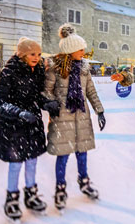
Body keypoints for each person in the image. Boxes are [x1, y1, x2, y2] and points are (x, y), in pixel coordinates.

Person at [0, 37, 60, 221]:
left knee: (32, 161)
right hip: (13, 126)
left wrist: (48, 103)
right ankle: (11, 198)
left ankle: (31, 194)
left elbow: (38, 95)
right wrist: (19, 113)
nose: (37, 57)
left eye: (38, 54)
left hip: (32, 124)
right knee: (16, 163)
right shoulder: (9, 72)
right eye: (32, 54)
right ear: (22, 54)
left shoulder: (37, 70)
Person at [44, 24, 106, 211]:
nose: (83, 51)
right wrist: (52, 103)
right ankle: (60, 188)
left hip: (81, 116)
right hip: (62, 117)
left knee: (82, 152)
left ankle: (84, 181)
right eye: (80, 49)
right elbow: (46, 91)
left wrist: (99, 110)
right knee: (63, 155)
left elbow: (90, 91)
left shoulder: (84, 68)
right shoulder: (55, 68)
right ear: (71, 50)